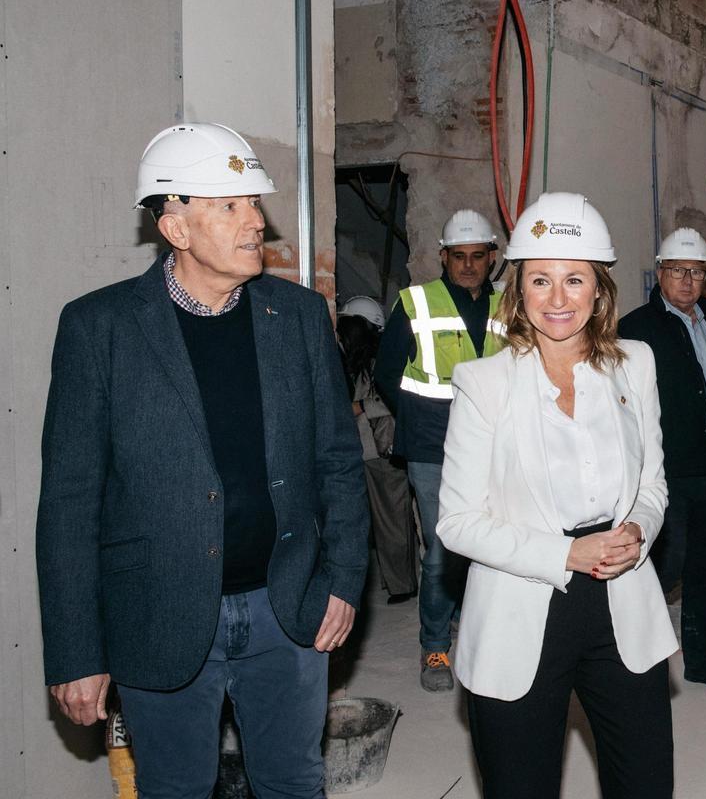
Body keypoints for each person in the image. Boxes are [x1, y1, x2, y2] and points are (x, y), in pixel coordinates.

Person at [36, 122, 368, 797]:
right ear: (176, 227)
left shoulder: (299, 316)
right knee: (175, 788)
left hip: (288, 606)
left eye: (253, 202)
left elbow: (338, 458)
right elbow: (69, 502)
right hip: (159, 613)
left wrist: (343, 577)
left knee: (294, 782)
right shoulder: (99, 328)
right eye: (232, 206)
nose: (256, 222)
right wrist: (77, 651)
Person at [437, 192, 677, 798]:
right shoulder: (483, 383)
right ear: (517, 290)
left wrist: (640, 529)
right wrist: (564, 554)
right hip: (524, 601)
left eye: (576, 280)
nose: (559, 299)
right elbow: (457, 523)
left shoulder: (637, 365)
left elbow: (652, 482)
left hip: (622, 600)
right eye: (540, 281)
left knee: (645, 782)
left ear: (600, 289)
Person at [374, 208, 507, 692]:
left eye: (477, 256)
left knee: (494, 550)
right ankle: (435, 646)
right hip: (433, 450)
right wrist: (418, 418)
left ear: (492, 257)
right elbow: (386, 373)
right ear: (443, 257)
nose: (468, 265)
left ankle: (480, 637)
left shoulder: (509, 305)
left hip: (496, 450)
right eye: (458, 257)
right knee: (444, 550)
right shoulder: (416, 302)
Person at [618, 227, 706, 693]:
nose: (687, 281)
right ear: (660, 273)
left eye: (696, 272)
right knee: (662, 565)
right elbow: (623, 403)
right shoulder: (636, 329)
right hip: (664, 473)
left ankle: (700, 660)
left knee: (704, 568)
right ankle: (637, 658)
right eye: (678, 271)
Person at [337, 296, 418, 601]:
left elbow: (398, 395)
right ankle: (395, 580)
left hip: (383, 451)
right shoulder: (359, 359)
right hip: (365, 450)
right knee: (380, 522)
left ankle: (403, 585)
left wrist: (359, 406)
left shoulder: (384, 357)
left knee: (392, 522)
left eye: (349, 323)